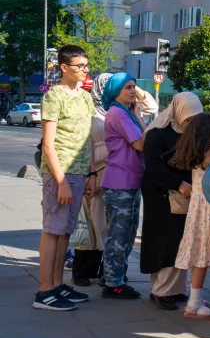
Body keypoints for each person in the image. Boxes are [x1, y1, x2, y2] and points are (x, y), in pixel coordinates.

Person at [34, 45, 96, 311]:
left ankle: (58, 285)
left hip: (81, 172)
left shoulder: (85, 97)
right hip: (59, 173)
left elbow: (88, 139)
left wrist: (92, 174)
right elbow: (48, 145)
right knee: (52, 230)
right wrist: (60, 181)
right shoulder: (53, 96)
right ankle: (44, 291)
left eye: (85, 65)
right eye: (79, 66)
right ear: (63, 68)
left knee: (65, 233)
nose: (84, 70)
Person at [141, 92, 203, 311]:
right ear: (179, 111)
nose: (191, 123)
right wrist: (178, 183)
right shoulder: (157, 134)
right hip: (161, 194)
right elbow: (153, 166)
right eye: (189, 118)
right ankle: (161, 291)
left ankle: (173, 290)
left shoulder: (190, 133)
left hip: (182, 195)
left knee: (179, 242)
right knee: (166, 242)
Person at [173, 112, 210, 319]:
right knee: (201, 256)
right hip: (207, 210)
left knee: (200, 254)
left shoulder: (199, 154)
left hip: (199, 208)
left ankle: (195, 297)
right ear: (208, 132)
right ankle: (194, 305)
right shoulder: (208, 157)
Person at [100, 73, 149, 300]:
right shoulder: (118, 113)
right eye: (127, 87)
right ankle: (114, 283)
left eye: (134, 87)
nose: (133, 91)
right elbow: (141, 143)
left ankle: (114, 275)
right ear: (115, 90)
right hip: (120, 183)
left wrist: (138, 113)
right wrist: (139, 117)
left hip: (128, 181)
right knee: (120, 235)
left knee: (126, 234)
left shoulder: (124, 112)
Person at [72, 74, 109, 287]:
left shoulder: (119, 110)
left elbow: (150, 106)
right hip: (93, 173)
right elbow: (84, 145)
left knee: (109, 226)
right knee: (91, 223)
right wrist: (90, 174)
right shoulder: (89, 110)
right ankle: (83, 271)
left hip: (114, 175)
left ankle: (107, 271)